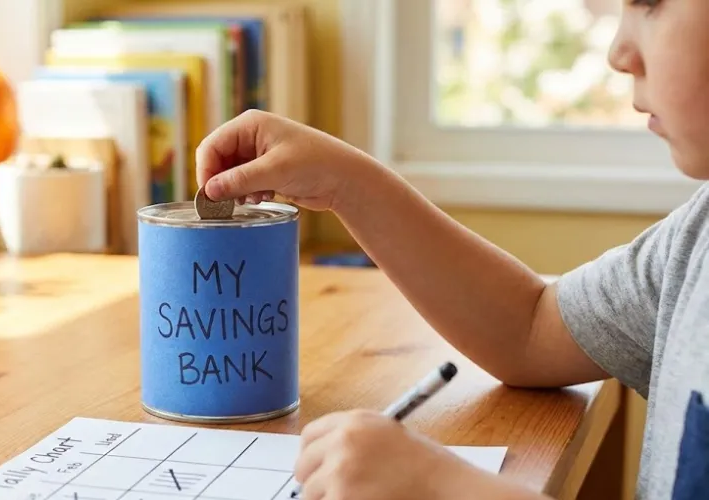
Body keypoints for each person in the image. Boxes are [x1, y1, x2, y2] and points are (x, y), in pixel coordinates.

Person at [194, 0, 709, 499]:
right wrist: (347, 183)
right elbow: (530, 330)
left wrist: (442, 488)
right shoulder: (695, 238)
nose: (618, 52)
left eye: (650, 1)